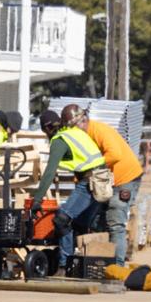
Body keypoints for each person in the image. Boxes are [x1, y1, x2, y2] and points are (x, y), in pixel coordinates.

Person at [30, 110, 108, 273]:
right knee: (80, 224)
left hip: (90, 182)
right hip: (102, 180)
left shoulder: (59, 140)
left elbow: (49, 172)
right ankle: (78, 265)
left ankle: (64, 265)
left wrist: (37, 199)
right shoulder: (74, 132)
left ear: (48, 128)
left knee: (61, 219)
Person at [66, 105, 144, 266]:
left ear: (83, 120)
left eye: (74, 127)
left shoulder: (99, 130)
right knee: (96, 221)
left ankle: (117, 267)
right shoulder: (81, 137)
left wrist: (92, 168)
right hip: (106, 180)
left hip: (124, 179)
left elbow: (115, 154)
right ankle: (101, 262)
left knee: (115, 222)